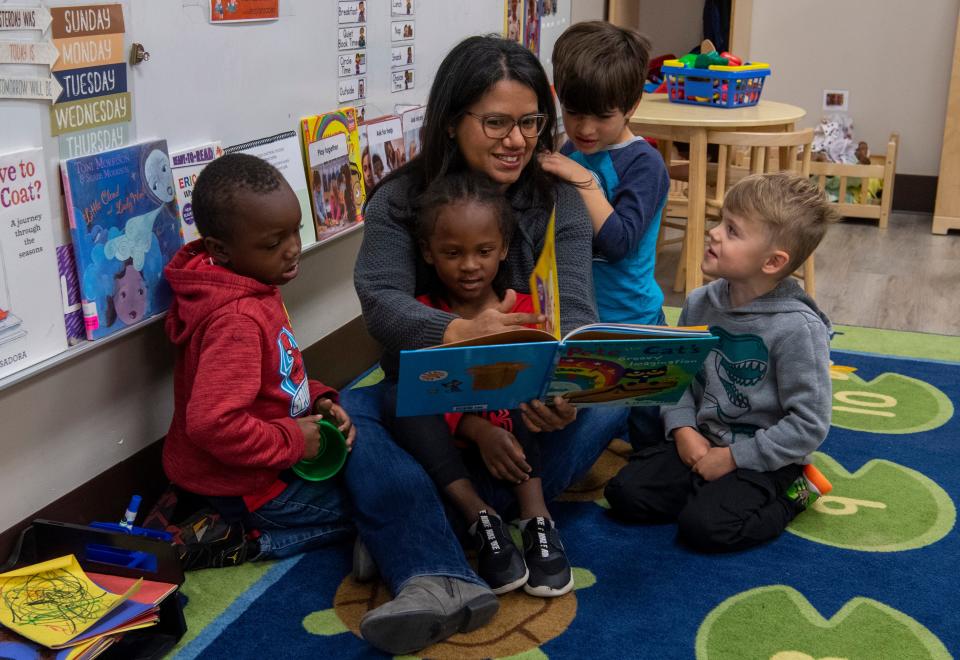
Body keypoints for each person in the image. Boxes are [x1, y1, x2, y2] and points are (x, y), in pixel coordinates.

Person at [343, 35, 626, 656]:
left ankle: (421, 517)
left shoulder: (557, 199)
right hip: (431, 412)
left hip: (524, 417)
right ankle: (437, 572)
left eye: (529, 122)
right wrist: (457, 334)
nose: (517, 140)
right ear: (451, 123)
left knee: (608, 404)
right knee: (357, 411)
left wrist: (565, 389)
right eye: (496, 121)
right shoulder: (398, 200)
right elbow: (381, 301)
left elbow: (576, 315)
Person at [604, 172, 838, 552]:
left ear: (772, 262)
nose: (714, 233)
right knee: (624, 492)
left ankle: (796, 494)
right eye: (720, 221)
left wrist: (732, 458)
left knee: (706, 529)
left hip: (767, 460)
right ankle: (705, 490)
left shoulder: (798, 329)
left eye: (732, 230)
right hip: (701, 442)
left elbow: (808, 425)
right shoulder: (699, 303)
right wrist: (683, 430)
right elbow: (676, 379)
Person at [161, 153, 356, 568]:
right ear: (220, 249)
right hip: (241, 487)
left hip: (266, 461)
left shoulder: (252, 284)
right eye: (273, 243)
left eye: (295, 232)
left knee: (372, 471)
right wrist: (292, 441)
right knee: (373, 506)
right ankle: (246, 542)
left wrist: (318, 398)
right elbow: (212, 423)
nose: (292, 250)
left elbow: (275, 377)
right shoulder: (236, 319)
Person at [385, 171, 574, 597]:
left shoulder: (527, 311)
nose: (469, 265)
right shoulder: (423, 317)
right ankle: (479, 515)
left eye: (484, 251)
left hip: (521, 440)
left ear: (503, 248)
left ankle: (535, 516)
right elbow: (424, 392)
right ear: (428, 253)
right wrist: (477, 428)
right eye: (452, 252)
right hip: (453, 451)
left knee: (536, 378)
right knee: (397, 393)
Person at [541, 21, 670, 450]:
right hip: (580, 322)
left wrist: (583, 181)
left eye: (602, 116)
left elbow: (618, 243)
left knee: (649, 432)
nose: (586, 128)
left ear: (631, 105)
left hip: (632, 322)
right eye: (575, 113)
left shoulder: (644, 164)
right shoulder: (569, 152)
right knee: (584, 408)